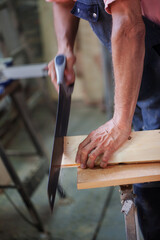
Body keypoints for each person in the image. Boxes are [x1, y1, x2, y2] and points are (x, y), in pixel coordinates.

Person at [46, 0, 160, 239]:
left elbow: (129, 26)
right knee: (142, 169)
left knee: (153, 169)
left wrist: (119, 122)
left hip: (147, 38)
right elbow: (61, 2)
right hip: (138, 64)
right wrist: (64, 47)